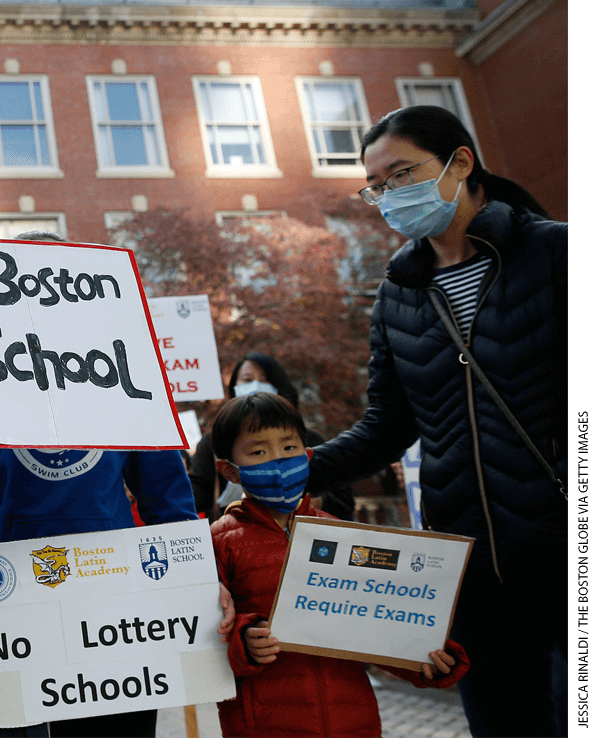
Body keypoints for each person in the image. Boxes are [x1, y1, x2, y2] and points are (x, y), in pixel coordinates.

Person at [304, 105, 567, 737]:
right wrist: (295, 467)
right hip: (471, 571)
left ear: (461, 162)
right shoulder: (399, 294)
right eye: (378, 186)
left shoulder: (554, 252)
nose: (392, 195)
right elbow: (387, 427)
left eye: (403, 173)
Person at [0, 230, 223, 738]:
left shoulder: (131, 380)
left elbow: (169, 503)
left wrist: (193, 585)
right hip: (10, 610)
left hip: (118, 614)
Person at [210, 392, 466, 737]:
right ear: (229, 470)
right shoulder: (218, 543)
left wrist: (422, 655)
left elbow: (375, 624)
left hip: (352, 719)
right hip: (265, 723)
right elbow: (203, 637)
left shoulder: (344, 537)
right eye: (258, 452)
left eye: (289, 448)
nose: (278, 460)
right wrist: (244, 642)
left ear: (308, 454)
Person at [188, 352, 355, 521]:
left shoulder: (310, 438)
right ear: (228, 470)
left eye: (289, 448)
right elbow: (198, 492)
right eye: (247, 379)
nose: (256, 385)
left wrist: (309, 502)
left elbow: (343, 500)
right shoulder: (213, 442)